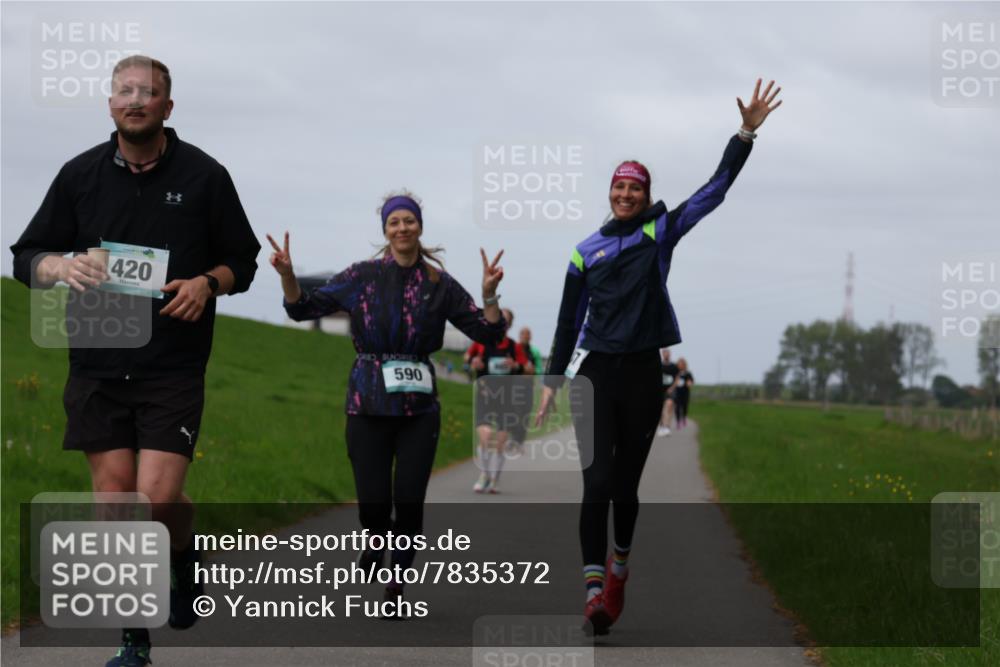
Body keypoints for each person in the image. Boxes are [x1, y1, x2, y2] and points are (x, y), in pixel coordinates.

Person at [9, 55, 261, 666]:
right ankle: (134, 639)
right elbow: (26, 255)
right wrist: (59, 266)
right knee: (116, 503)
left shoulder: (205, 176)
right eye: (125, 90)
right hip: (96, 365)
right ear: (110, 104)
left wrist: (207, 283)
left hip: (172, 366)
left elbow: (243, 262)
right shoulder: (79, 175)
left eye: (148, 92)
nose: (136, 100)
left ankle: (183, 557)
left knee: (157, 500)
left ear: (167, 107)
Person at [536, 79, 782, 635]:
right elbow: (568, 322)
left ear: (646, 196)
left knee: (625, 487)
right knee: (597, 484)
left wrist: (744, 134)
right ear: (610, 193)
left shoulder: (660, 232)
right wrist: (551, 381)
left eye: (634, 189)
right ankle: (593, 592)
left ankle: (620, 568)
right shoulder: (584, 251)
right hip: (595, 373)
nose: (625, 195)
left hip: (644, 374)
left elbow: (714, 191)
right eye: (618, 187)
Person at [269, 190, 506, 614]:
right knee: (374, 504)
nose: (402, 228)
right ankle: (375, 538)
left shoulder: (439, 283)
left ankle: (397, 581)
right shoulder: (362, 276)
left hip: (419, 410)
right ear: (385, 230)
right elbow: (302, 309)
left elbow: (487, 333)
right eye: (394, 222)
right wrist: (288, 275)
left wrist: (489, 296)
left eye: (408, 220)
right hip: (367, 403)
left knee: (409, 501)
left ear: (420, 227)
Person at [465, 308, 533, 493]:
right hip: (485, 396)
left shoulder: (514, 347)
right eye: (497, 319)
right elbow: (467, 357)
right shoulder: (481, 342)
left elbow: (529, 370)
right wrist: (473, 363)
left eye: (505, 321)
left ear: (508, 325)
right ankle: (485, 474)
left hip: (506, 399)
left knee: (501, 442)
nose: (500, 323)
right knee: (486, 437)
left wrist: (516, 365)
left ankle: (494, 480)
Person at [656, 348, 680, 437]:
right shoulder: (659, 365)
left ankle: (667, 427)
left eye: (668, 353)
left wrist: (672, 388)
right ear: (662, 354)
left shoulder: (674, 366)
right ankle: (662, 426)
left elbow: (677, 378)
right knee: (660, 410)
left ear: (670, 354)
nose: (666, 355)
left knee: (669, 406)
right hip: (660, 391)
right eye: (665, 353)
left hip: (670, 390)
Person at [673, 358, 695, 429]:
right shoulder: (676, 373)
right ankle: (678, 422)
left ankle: (684, 417)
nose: (681, 366)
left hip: (685, 393)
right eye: (679, 364)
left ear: (684, 365)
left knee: (684, 406)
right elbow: (673, 381)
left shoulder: (688, 373)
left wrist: (689, 383)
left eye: (682, 364)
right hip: (677, 392)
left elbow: (691, 381)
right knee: (677, 407)